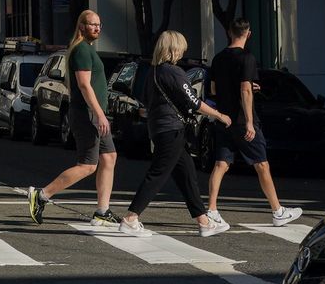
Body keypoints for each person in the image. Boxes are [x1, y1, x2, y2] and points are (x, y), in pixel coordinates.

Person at [116, 32, 231, 239]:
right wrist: (219, 114)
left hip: (160, 129)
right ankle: (130, 218)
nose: (183, 51)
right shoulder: (173, 72)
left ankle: (204, 222)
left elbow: (145, 104)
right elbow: (193, 102)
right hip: (172, 130)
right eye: (181, 48)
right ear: (173, 49)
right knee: (157, 174)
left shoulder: (152, 73)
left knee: (186, 175)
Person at [206, 18, 303, 230]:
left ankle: (212, 209)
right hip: (242, 119)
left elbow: (213, 90)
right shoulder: (247, 58)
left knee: (221, 164)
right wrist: (250, 122)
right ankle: (277, 211)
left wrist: (242, 88)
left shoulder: (218, 58)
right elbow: (245, 90)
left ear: (230, 32)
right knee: (261, 164)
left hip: (223, 118)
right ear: (248, 34)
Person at [27, 10, 120, 228]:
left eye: (99, 24)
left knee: (110, 157)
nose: (97, 28)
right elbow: (84, 85)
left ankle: (102, 211)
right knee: (88, 165)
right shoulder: (81, 51)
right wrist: (98, 114)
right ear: (82, 27)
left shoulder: (86, 50)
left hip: (93, 114)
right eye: (92, 24)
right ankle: (41, 195)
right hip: (87, 114)